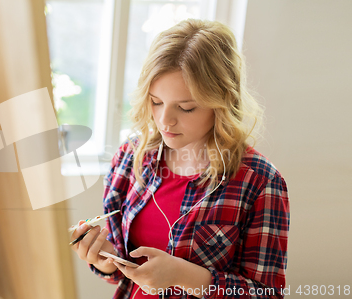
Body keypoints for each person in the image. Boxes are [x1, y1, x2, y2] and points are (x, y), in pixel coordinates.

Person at [70, 18, 290, 299]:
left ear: (221, 101)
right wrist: (106, 261)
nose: (165, 121)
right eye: (156, 102)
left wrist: (183, 276)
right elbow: (123, 271)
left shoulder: (259, 181)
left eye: (185, 108)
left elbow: (268, 294)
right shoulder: (130, 158)